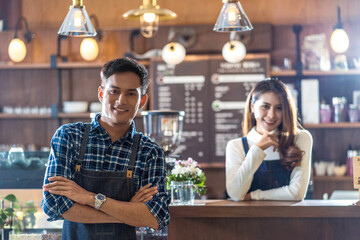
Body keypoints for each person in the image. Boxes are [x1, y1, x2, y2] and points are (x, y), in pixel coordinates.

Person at [41, 58, 170, 240]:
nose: (121, 100)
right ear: (102, 94)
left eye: (131, 94)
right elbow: (54, 204)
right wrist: (128, 214)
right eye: (114, 91)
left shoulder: (149, 151)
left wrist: (89, 198)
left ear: (142, 101)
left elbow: (157, 216)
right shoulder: (69, 136)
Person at [226, 78, 313, 201]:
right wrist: (257, 149)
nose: (271, 115)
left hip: (290, 220)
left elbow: (297, 193)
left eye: (279, 108)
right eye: (265, 106)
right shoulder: (236, 146)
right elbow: (235, 194)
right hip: (248, 219)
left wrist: (255, 195)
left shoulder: (301, 138)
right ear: (252, 106)